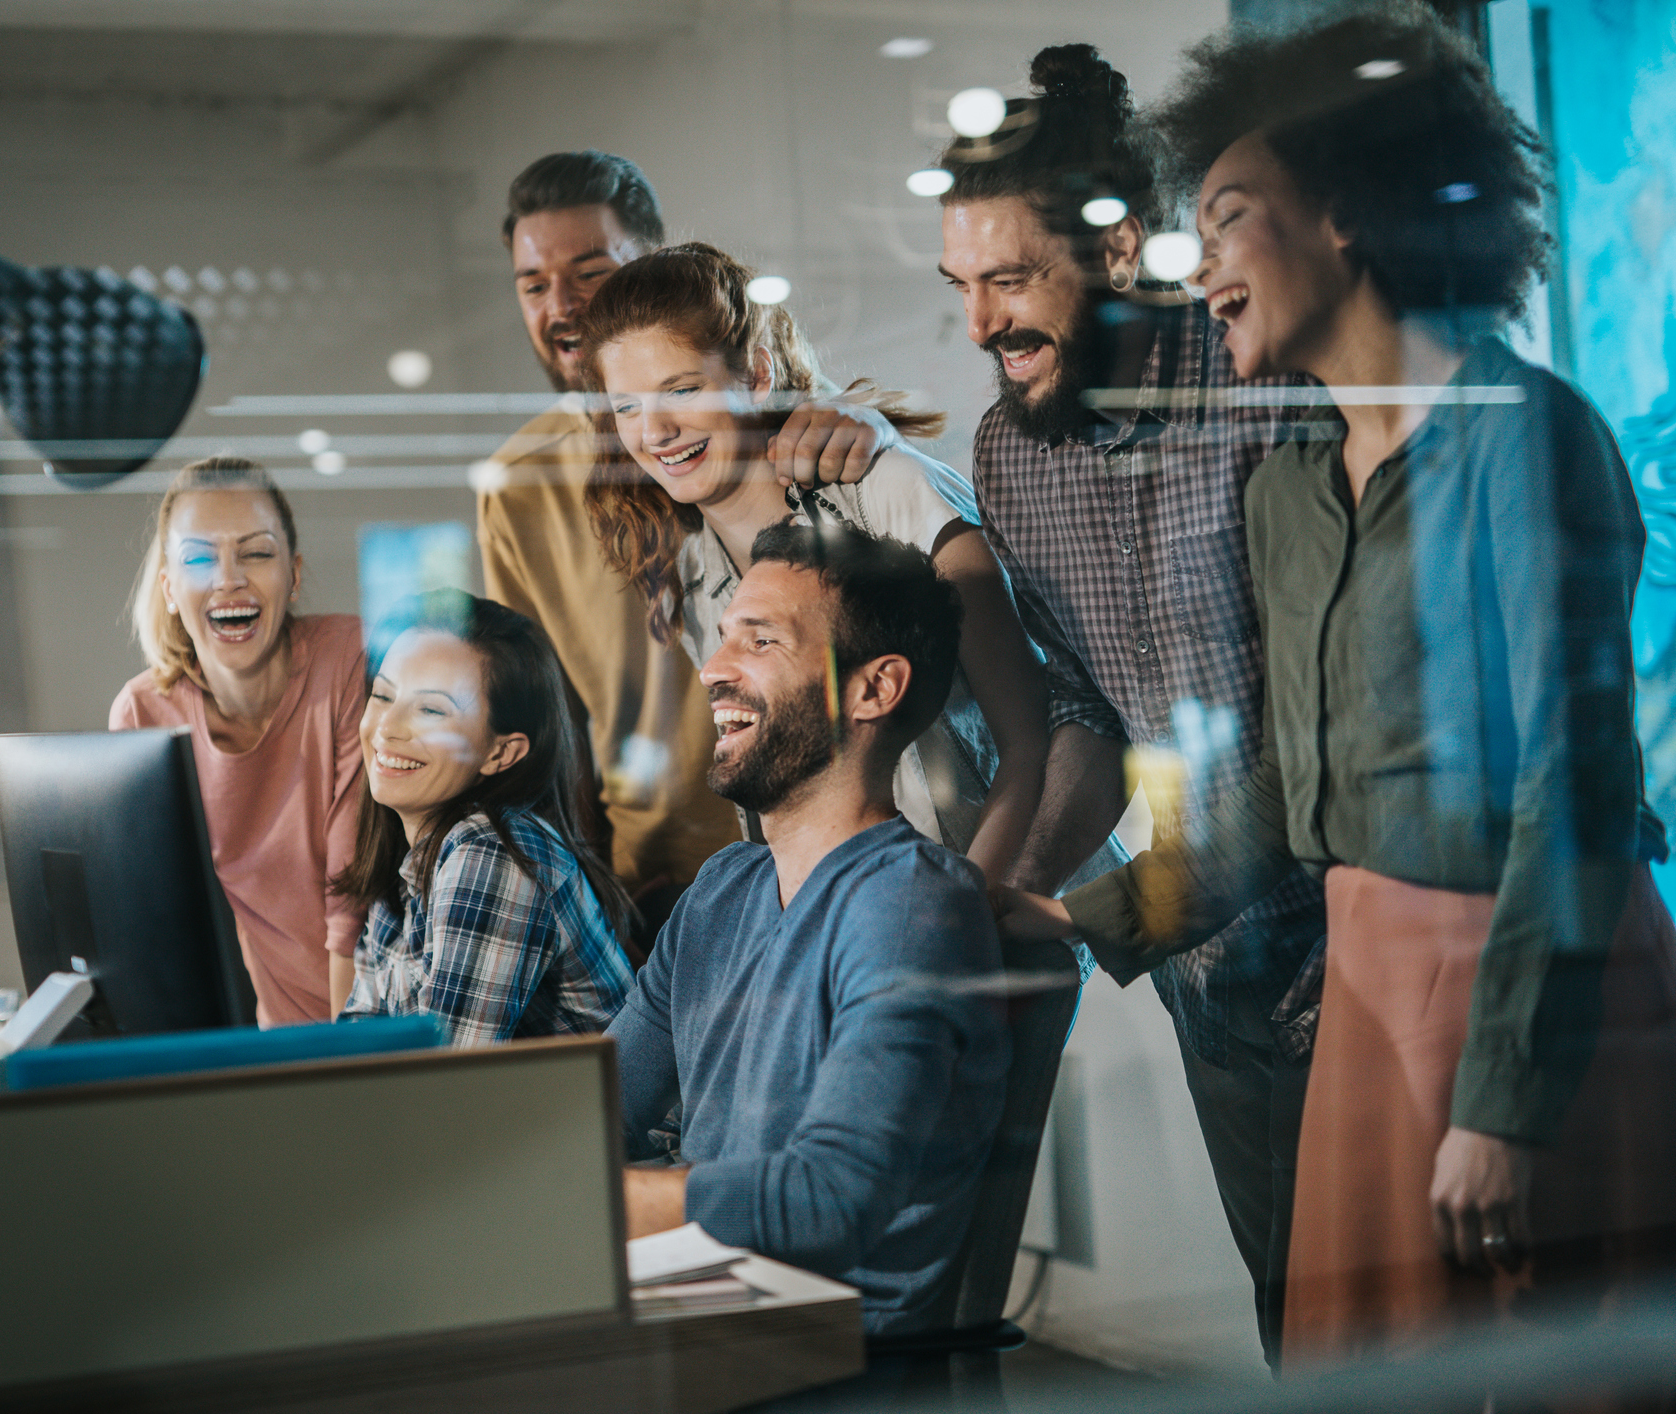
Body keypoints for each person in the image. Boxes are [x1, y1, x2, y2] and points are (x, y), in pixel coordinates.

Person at [1000, 7, 1676, 1368]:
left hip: (1539, 987)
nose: (1203, 275)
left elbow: (1576, 789)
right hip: (1371, 983)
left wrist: (1500, 1100)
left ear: (1347, 213)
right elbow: (1290, 793)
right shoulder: (1298, 488)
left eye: (1231, 217)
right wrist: (1086, 917)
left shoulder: (1524, 438)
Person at [909, 43, 1325, 1366]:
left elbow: (1318, 746)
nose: (981, 325)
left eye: (1011, 280)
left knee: (1442, 1346)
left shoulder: (1269, 387)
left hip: (1356, 957)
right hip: (1218, 985)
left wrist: (1088, 910)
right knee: (1303, 1339)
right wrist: (1008, 884)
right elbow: (1087, 709)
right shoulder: (1004, 449)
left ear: (1122, 247)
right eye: (960, 289)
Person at [479, 151, 922, 935]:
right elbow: (548, 721)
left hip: (836, 849)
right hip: (653, 880)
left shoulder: (752, 433)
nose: (563, 306)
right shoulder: (516, 486)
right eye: (533, 285)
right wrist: (588, 889)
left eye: (590, 271)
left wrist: (868, 429)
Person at [611, 519, 1008, 1338]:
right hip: (707, 1298)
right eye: (724, 639)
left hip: (828, 1351)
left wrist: (591, 1202)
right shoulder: (723, 890)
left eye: (760, 642)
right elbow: (597, 1103)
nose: (715, 671)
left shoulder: (910, 907)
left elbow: (827, 1199)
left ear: (873, 688)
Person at [578, 241, 1055, 881]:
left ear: (756, 376)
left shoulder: (885, 490)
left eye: (682, 389)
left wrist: (967, 915)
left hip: (991, 902)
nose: (654, 431)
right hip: (842, 924)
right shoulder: (689, 573)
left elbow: (1033, 739)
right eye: (627, 407)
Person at [111, 456, 367, 1027]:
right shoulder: (144, 713)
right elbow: (154, 931)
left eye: (256, 553)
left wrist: (349, 1066)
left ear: (294, 575)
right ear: (170, 588)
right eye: (200, 557)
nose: (229, 578)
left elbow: (350, 901)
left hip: (372, 1027)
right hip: (259, 1045)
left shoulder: (348, 659)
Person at [334, 590, 632, 1046]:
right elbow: (357, 1053)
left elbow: (443, 1088)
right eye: (383, 696)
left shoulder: (494, 852)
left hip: (596, 1120)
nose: (387, 728)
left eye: (431, 710)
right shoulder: (412, 861)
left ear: (501, 752)